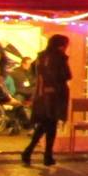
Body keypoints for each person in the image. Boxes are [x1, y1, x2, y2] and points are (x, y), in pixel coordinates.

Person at [22, 34, 70, 167]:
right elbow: (66, 75)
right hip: (54, 96)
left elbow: (35, 71)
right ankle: (44, 155)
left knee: (45, 125)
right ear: (61, 45)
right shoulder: (58, 57)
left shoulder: (41, 56)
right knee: (50, 125)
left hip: (42, 95)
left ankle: (33, 152)